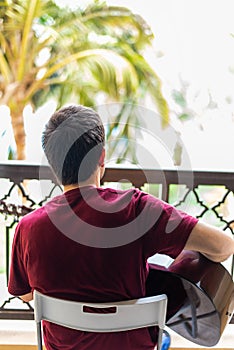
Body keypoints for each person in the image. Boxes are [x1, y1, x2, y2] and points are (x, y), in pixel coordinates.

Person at [8, 104, 234, 350]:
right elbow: (224, 247)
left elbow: (26, 294)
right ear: (101, 156)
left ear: (53, 164)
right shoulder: (136, 209)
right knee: (163, 337)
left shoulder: (27, 228)